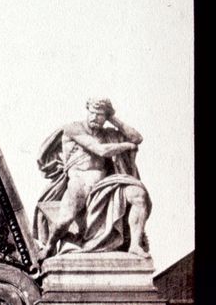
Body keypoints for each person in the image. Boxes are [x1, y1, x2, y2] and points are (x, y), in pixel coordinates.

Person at [33, 98, 151, 259]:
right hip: (79, 182)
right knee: (64, 220)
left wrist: (113, 119)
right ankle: (49, 246)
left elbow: (137, 138)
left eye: (100, 115)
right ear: (87, 111)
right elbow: (100, 150)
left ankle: (135, 245)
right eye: (92, 113)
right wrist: (126, 146)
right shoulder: (73, 129)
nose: (95, 117)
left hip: (106, 184)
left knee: (138, 195)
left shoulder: (107, 134)